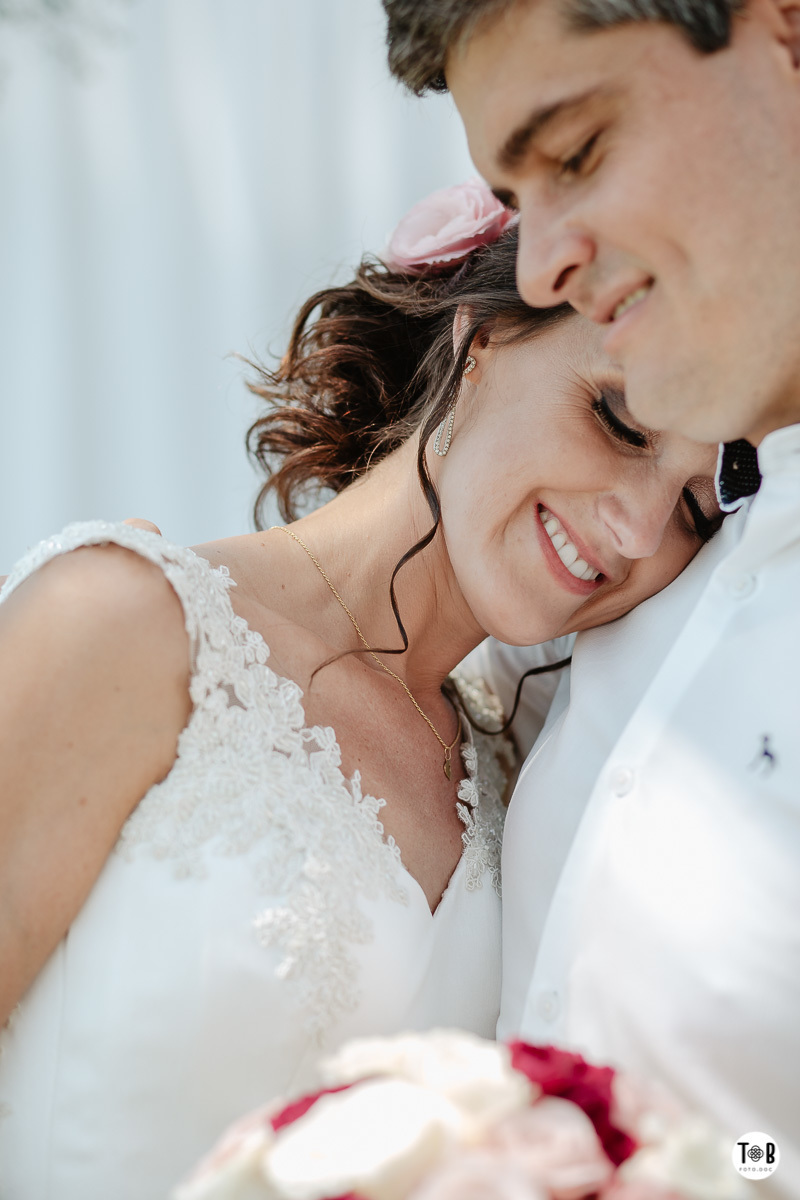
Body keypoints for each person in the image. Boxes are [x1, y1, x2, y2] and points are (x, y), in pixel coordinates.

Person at [0, 184, 722, 1199]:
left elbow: (737, 1134)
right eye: (616, 420)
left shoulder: (525, 784)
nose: (642, 530)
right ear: (482, 339)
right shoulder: (119, 624)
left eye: (695, 509)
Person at [383, 0, 800, 1192]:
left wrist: (713, 1166)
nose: (543, 258)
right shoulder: (611, 599)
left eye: (574, 151)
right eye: (513, 198)